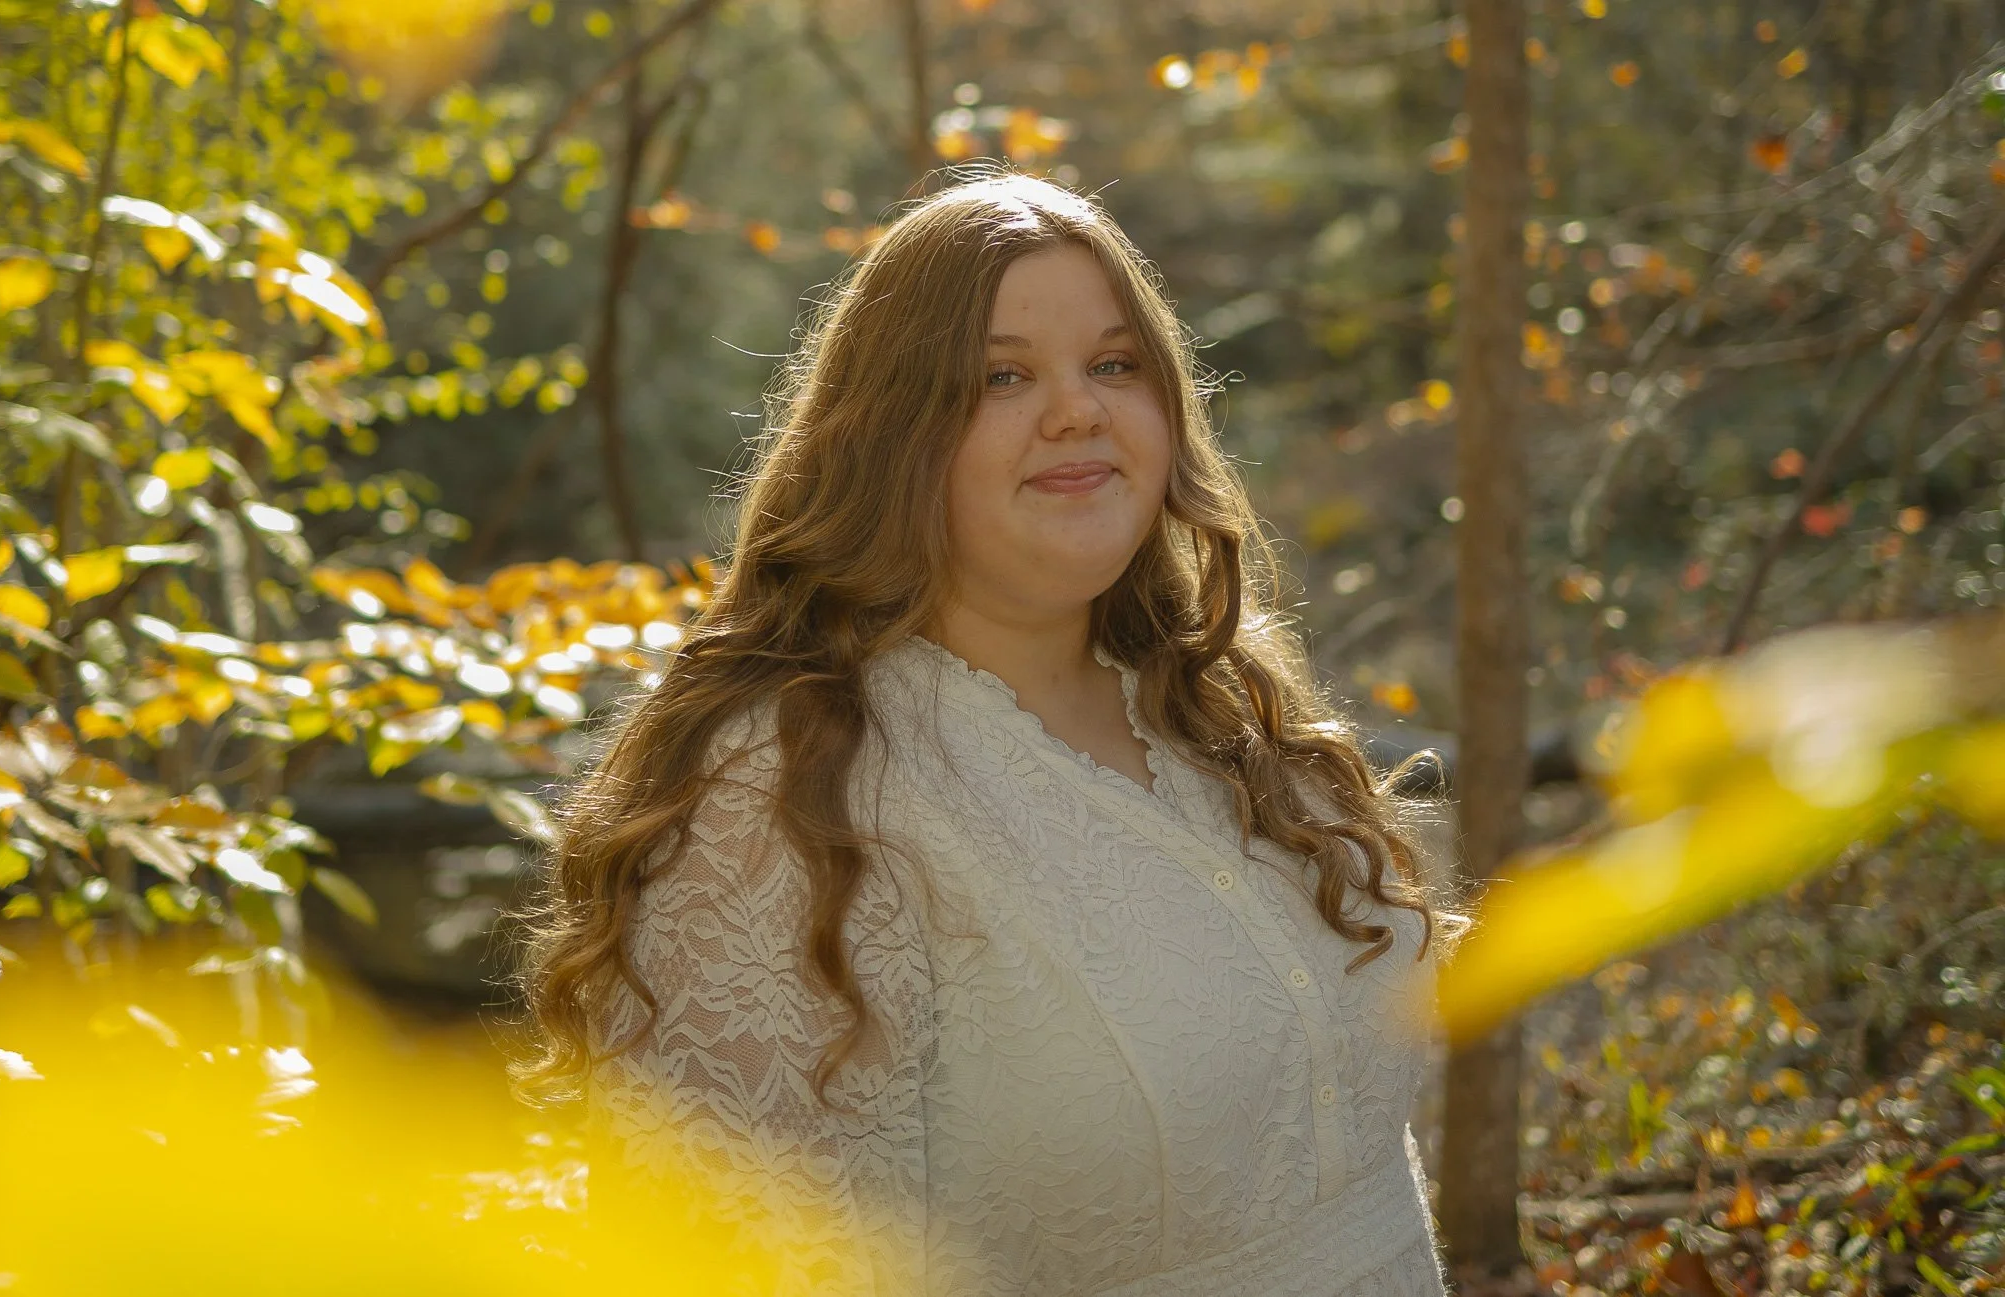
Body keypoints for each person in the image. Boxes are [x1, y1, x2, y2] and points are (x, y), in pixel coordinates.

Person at [518, 170, 1459, 1296]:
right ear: (889, 436)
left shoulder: (1219, 704)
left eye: (1113, 365)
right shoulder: (789, 794)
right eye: (1000, 376)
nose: (1076, 409)